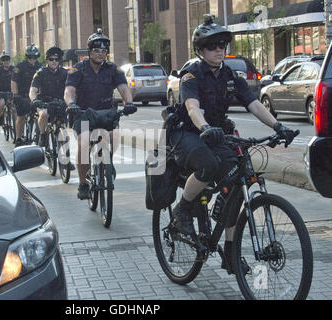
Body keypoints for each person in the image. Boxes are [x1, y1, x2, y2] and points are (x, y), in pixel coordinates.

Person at [169, 14, 298, 263]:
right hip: (188, 133)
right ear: (200, 50)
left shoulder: (230, 76)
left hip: (216, 134)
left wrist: (278, 126)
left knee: (237, 184)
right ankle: (182, 210)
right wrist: (205, 127)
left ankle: (230, 250)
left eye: (222, 45)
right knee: (208, 165)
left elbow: (254, 104)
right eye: (211, 46)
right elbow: (193, 108)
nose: (218, 50)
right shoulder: (191, 75)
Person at [64, 29, 137, 200]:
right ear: (89, 51)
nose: (101, 53)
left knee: (114, 136)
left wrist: (129, 103)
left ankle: (108, 161)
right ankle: (83, 183)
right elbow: (69, 90)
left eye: (104, 50)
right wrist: (71, 103)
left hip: (106, 114)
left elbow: (123, 88)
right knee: (83, 143)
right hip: (83, 114)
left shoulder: (113, 69)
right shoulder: (78, 69)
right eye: (97, 50)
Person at [29, 46, 68, 147]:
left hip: (60, 103)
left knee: (63, 126)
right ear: (47, 60)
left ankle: (65, 158)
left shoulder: (65, 73)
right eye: (51, 59)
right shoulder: (40, 73)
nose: (54, 62)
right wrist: (34, 100)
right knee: (44, 114)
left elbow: (72, 89)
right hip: (44, 103)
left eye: (56, 59)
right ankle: (43, 135)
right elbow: (32, 91)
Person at [11, 44, 42, 147]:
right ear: (27, 57)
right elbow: (14, 82)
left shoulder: (40, 67)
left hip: (36, 96)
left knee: (41, 114)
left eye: (35, 57)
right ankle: (19, 138)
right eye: (30, 57)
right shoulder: (19, 67)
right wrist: (15, 95)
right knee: (21, 117)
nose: (32, 59)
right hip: (22, 96)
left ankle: (41, 136)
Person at [0, 51, 14, 126]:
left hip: (11, 92)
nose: (6, 61)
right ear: (1, 61)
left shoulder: (13, 69)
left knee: (15, 108)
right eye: (4, 60)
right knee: (2, 104)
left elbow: (20, 79)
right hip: (0, 92)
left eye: (7, 59)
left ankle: (16, 126)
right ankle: (0, 115)